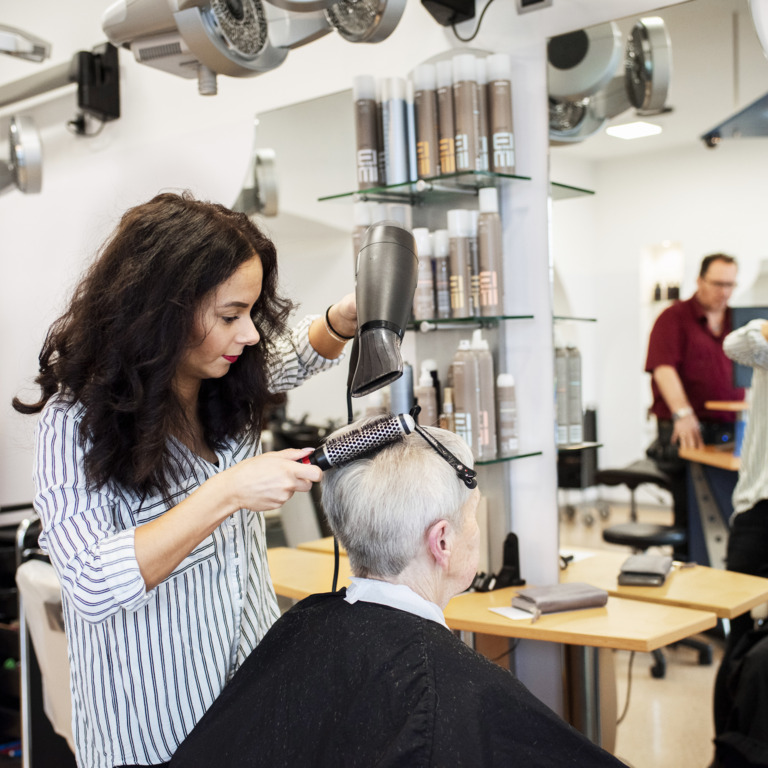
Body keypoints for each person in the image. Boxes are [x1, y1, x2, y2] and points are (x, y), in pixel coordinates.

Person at [11, 191, 357, 768]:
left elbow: (293, 353)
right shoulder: (74, 425)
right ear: (161, 314)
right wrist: (225, 492)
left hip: (255, 709)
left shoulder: (222, 378)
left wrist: (339, 322)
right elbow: (92, 582)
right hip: (152, 740)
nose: (248, 334)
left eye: (251, 313)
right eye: (229, 316)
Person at [170, 421, 626, 768]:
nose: (476, 528)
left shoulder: (304, 623)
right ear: (442, 541)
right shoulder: (443, 684)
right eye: (472, 515)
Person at [644, 253, 744, 551]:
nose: (724, 291)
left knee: (732, 507)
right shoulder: (673, 318)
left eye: (730, 284)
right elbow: (663, 369)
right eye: (717, 283)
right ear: (699, 281)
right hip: (685, 428)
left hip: (729, 429)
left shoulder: (736, 323)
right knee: (692, 511)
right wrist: (683, 414)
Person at [712, 318, 768, 766]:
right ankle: (728, 752)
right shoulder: (762, 341)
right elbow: (737, 343)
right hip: (760, 513)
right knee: (741, 644)